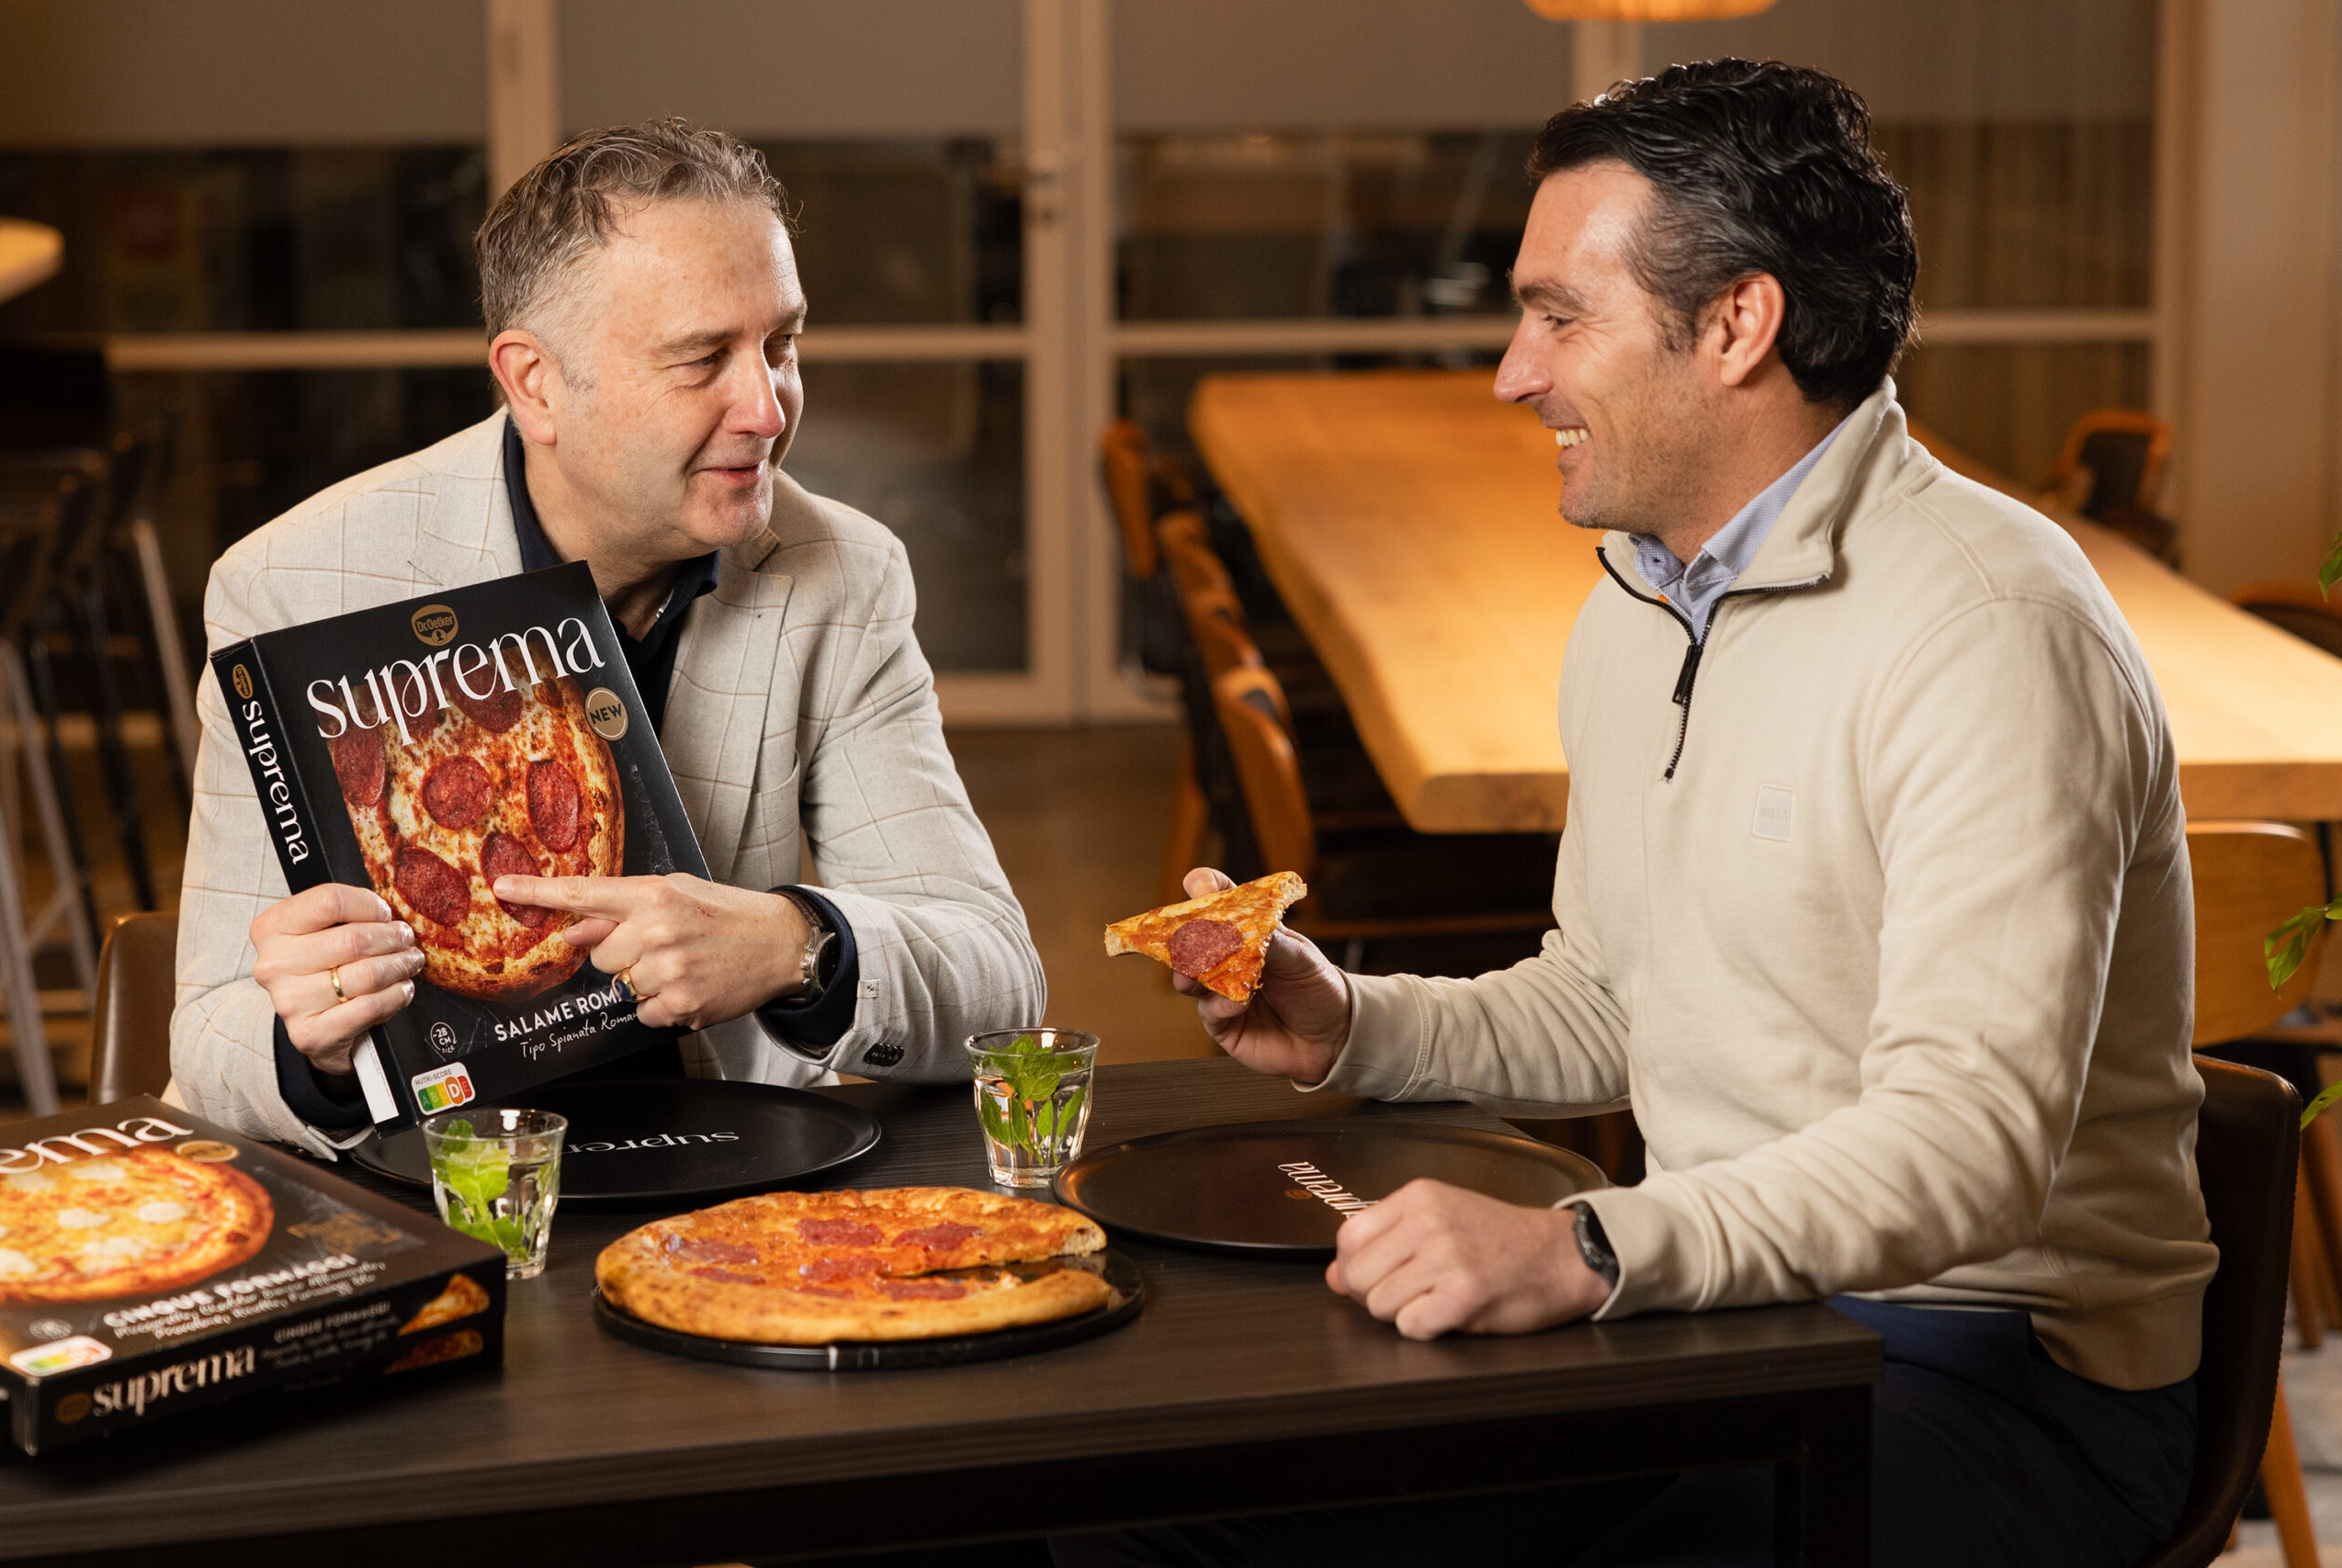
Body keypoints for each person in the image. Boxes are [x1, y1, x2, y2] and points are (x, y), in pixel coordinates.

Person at [1058, 61, 2210, 1568]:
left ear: (1737, 323)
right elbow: (1616, 999)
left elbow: (1969, 1149)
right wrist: (1356, 1024)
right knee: (1161, 1515)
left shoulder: (1990, 625)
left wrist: (1584, 1243)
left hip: (1998, 1377)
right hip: (1729, 1318)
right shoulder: (1642, 602)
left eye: (1559, 314)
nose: (1511, 372)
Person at [172, 120, 1042, 1152]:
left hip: (723, 1169)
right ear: (534, 382)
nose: (766, 407)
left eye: (781, 345)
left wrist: (803, 944)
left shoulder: (841, 574)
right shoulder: (291, 586)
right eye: (703, 358)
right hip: (430, 1174)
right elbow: (210, 1039)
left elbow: (1000, 980)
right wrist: (308, 1050)